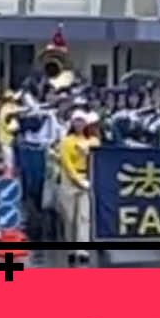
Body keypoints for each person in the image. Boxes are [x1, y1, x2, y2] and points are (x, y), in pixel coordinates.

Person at [56, 110, 95, 259]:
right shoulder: (66, 141)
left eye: (82, 121)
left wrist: (87, 146)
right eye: (77, 121)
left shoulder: (90, 140)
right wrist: (78, 180)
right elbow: (66, 163)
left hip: (86, 176)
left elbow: (96, 143)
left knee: (84, 216)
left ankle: (82, 249)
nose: (79, 124)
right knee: (70, 217)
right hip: (69, 180)